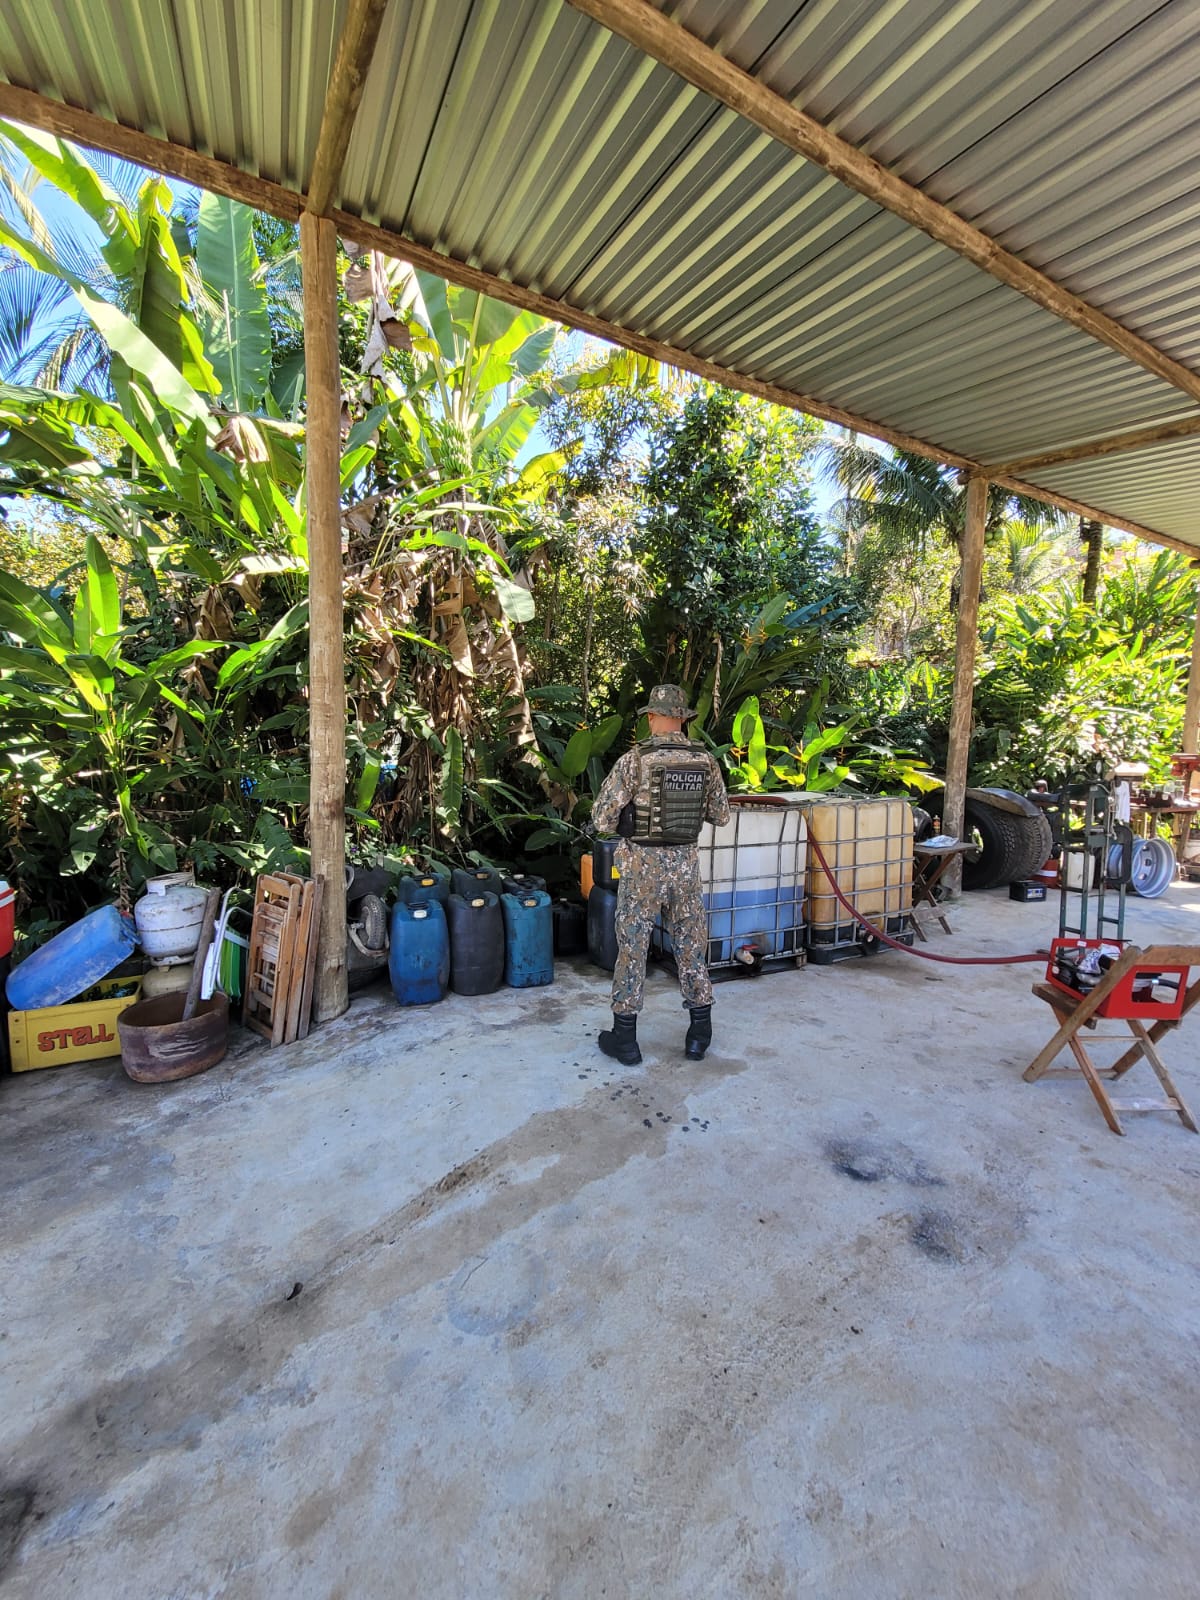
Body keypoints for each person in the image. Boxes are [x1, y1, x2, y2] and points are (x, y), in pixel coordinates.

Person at [590, 684, 730, 1066]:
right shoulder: (707, 760)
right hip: (685, 867)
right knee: (690, 947)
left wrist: (629, 818)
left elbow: (602, 818)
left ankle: (626, 1041)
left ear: (652, 716)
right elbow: (720, 815)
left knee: (632, 949)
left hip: (642, 869)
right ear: (684, 718)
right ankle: (699, 1035)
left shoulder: (635, 760)